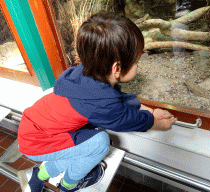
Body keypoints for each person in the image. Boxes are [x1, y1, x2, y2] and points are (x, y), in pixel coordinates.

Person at [17, 12, 177, 192]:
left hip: (32, 130)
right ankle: (69, 184)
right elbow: (127, 119)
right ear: (116, 68)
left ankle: (39, 175)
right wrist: (156, 123)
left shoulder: (84, 72)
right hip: (38, 142)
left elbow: (116, 99)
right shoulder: (101, 102)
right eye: (136, 62)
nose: (137, 66)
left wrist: (148, 109)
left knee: (79, 148)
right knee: (100, 142)